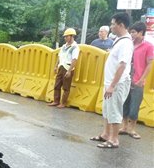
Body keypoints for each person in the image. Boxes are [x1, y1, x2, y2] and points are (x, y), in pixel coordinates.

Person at [90, 12, 133, 149]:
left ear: (121, 25)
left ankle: (114, 139)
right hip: (110, 83)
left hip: (117, 84)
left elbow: (122, 65)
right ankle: (105, 134)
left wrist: (113, 85)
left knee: (114, 111)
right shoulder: (118, 40)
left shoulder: (126, 43)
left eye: (113, 24)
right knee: (107, 110)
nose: (111, 27)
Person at [119, 22, 154, 140]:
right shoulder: (129, 44)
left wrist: (141, 79)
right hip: (125, 79)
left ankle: (132, 129)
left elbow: (149, 65)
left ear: (141, 32)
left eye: (134, 32)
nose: (131, 34)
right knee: (125, 103)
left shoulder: (148, 46)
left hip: (138, 81)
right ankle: (124, 127)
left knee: (134, 106)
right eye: (131, 32)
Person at [48, 28, 80, 108]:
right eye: (65, 36)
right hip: (61, 67)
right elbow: (59, 56)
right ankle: (56, 101)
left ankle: (63, 103)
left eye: (67, 36)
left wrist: (69, 71)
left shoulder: (75, 47)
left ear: (72, 36)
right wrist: (56, 66)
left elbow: (74, 60)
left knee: (66, 87)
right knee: (57, 85)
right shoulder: (63, 46)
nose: (65, 38)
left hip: (68, 68)